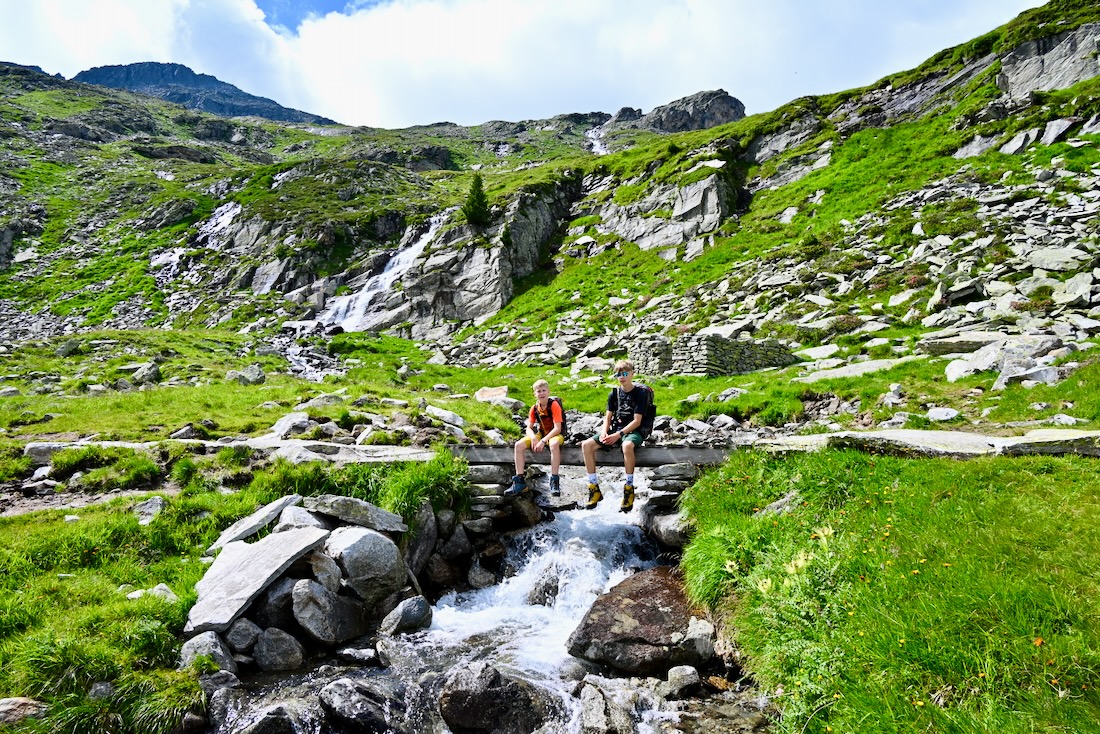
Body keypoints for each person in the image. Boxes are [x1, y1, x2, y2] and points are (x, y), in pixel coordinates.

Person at [580, 360, 653, 512]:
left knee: (627, 446)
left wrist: (618, 435)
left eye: (625, 373)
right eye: (618, 374)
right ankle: (594, 488)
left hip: (634, 431)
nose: (622, 377)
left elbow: (637, 421)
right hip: (616, 430)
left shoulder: (640, 394)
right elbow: (607, 417)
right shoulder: (613, 394)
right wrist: (605, 432)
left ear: (632, 374)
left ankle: (629, 489)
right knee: (586, 445)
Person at [506, 379, 565, 497]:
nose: (541, 393)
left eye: (544, 390)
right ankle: (519, 480)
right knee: (518, 445)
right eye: (539, 391)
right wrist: (533, 438)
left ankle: (554, 481)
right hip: (541, 433)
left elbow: (557, 428)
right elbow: (529, 428)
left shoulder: (554, 405)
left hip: (556, 434)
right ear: (535, 394)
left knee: (553, 444)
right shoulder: (534, 408)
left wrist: (543, 441)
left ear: (548, 392)